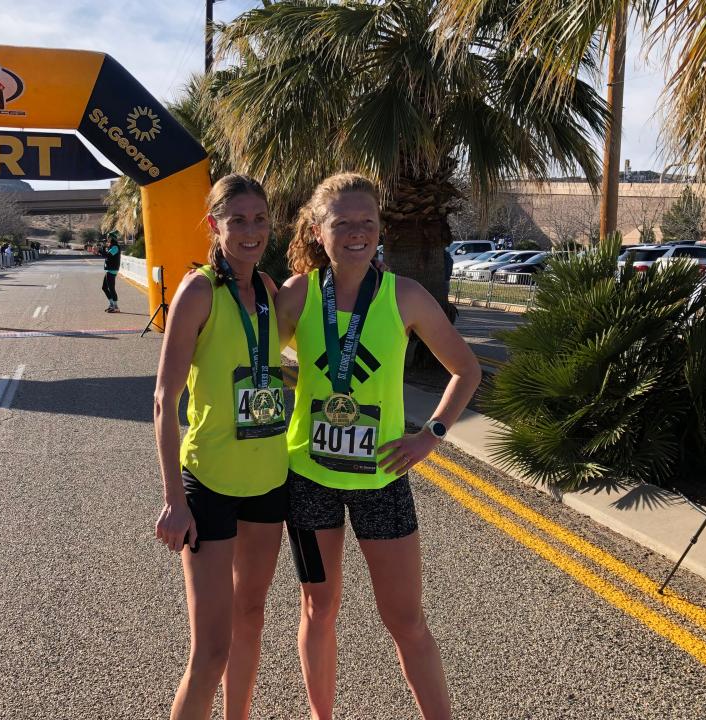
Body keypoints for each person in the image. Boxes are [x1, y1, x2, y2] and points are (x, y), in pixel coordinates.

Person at [275, 173, 481, 720]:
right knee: (319, 610)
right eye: (342, 223)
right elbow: (250, 361)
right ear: (318, 231)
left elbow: (466, 369)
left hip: (382, 481)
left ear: (380, 228)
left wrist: (430, 436)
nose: (357, 233)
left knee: (406, 620)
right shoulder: (296, 294)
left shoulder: (404, 295)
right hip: (309, 479)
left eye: (367, 222)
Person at [154, 174, 288, 720]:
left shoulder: (271, 291)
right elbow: (164, 400)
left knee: (251, 618)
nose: (250, 231)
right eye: (238, 220)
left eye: (259, 219)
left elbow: (268, 370)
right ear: (215, 225)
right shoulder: (198, 290)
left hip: (268, 481)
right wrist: (174, 499)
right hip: (208, 485)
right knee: (210, 651)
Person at [99, 236, 121, 312]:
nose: (108, 240)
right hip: (109, 270)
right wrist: (102, 249)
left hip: (112, 270)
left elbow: (107, 255)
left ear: (112, 239)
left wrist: (103, 249)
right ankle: (112, 304)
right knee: (104, 288)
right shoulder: (112, 247)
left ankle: (116, 307)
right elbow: (105, 255)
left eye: (109, 238)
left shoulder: (115, 247)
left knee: (111, 288)